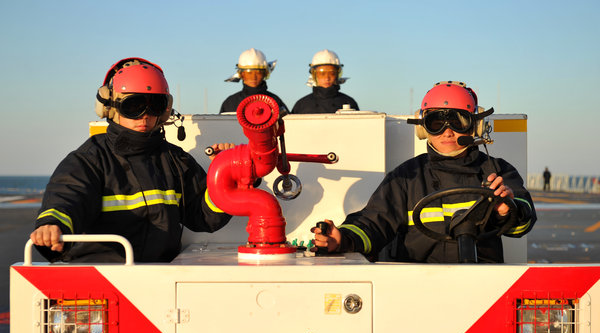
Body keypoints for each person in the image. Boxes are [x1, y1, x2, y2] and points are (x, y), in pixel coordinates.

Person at [31, 57, 232, 263]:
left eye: (154, 105)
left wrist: (226, 177)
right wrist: (52, 224)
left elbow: (205, 217)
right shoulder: (90, 159)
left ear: (165, 110)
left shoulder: (176, 160)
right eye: (133, 106)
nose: (144, 116)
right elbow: (68, 195)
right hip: (103, 278)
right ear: (110, 107)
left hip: (161, 276)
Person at [312, 81, 536, 263]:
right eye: (436, 122)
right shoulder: (406, 177)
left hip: (485, 287)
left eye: (458, 121)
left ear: (474, 125)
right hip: (417, 286)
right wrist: (343, 239)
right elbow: (374, 223)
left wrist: (507, 210)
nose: (447, 132)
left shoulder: (497, 172)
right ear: (422, 127)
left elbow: (522, 225)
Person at [220, 48, 288, 113]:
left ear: (264, 74)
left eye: (258, 72)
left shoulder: (275, 102)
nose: (253, 77)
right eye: (249, 72)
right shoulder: (230, 103)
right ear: (241, 74)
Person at [291, 49, 359, 114]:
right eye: (322, 73)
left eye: (332, 73)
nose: (327, 78)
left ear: (337, 74)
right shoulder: (301, 105)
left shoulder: (349, 103)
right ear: (314, 75)